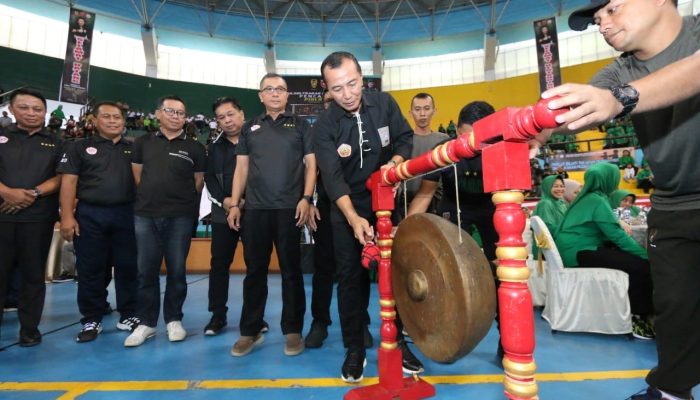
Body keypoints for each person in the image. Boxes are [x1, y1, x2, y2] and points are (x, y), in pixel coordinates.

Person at [540, 1, 700, 398]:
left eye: (611, 10)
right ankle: (670, 392)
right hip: (672, 203)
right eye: (597, 21)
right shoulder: (618, 70)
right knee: (674, 309)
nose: (603, 25)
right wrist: (528, 131)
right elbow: (567, 112)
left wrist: (620, 99)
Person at [313, 51, 421, 383]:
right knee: (350, 279)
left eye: (352, 83)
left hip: (385, 199)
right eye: (337, 88)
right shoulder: (324, 126)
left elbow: (404, 138)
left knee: (396, 273)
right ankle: (355, 349)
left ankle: (399, 343)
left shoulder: (385, 104)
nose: (347, 94)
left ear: (363, 77)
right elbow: (331, 178)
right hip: (345, 206)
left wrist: (397, 161)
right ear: (326, 90)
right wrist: (353, 218)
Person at [227, 73, 315, 357]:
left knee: (291, 273)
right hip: (255, 211)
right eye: (269, 89)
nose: (275, 93)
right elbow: (241, 169)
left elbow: (312, 165)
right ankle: (249, 331)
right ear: (260, 95)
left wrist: (306, 198)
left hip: (290, 210)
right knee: (254, 273)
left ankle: (293, 330)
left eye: (281, 89)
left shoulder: (301, 126)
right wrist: (235, 204)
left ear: (287, 95)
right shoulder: (249, 127)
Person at [407, 100, 502, 359]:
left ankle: (507, 338)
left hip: (492, 208)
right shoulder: (443, 150)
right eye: (463, 134)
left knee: (503, 273)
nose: (467, 141)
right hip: (453, 209)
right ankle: (443, 329)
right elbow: (425, 195)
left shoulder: (502, 146)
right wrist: (403, 228)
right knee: (446, 271)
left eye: (475, 136)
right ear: (457, 130)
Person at [124, 95, 206, 347]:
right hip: (145, 215)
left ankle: (173, 320)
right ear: (158, 113)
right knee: (145, 270)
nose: (175, 116)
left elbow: (198, 181)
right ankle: (147, 323)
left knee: (177, 271)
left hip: (180, 216)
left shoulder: (194, 147)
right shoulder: (142, 143)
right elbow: (137, 175)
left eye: (181, 113)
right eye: (170, 111)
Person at [57, 101, 140, 343]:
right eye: (107, 116)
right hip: (90, 215)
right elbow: (69, 183)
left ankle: (129, 314)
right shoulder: (79, 147)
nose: (113, 121)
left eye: (117, 117)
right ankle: (91, 318)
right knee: (90, 269)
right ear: (94, 120)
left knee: (128, 268)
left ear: (124, 122)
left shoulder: (134, 148)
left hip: (127, 214)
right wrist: (67, 216)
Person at [305, 90, 373, 350]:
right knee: (323, 267)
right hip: (323, 205)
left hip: (354, 206)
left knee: (359, 267)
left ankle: (360, 322)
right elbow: (309, 169)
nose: (333, 104)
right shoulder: (318, 132)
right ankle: (319, 322)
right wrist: (309, 201)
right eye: (328, 101)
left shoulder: (359, 129)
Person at [554, 163, 654, 339]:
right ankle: (638, 318)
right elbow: (617, 236)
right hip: (580, 250)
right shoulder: (597, 200)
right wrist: (646, 255)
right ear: (606, 180)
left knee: (628, 258)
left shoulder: (590, 198)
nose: (616, 184)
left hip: (575, 248)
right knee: (640, 266)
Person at [0, 88, 62, 346]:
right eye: (24, 107)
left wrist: (32, 194)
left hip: (38, 218)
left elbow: (62, 177)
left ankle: (29, 329)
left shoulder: (58, 142)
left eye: (37, 109)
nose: (31, 113)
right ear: (12, 110)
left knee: (33, 276)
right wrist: (7, 192)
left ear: (45, 112)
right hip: (2, 216)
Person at [203, 97, 269, 337]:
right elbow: (210, 179)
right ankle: (217, 316)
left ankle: (255, 318)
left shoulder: (259, 141)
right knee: (219, 265)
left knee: (256, 266)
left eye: (230, 114)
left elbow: (264, 174)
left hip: (254, 211)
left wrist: (242, 201)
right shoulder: (214, 147)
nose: (227, 120)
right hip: (224, 214)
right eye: (221, 117)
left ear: (242, 114)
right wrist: (226, 201)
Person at [396, 92, 448, 218]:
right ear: (410, 112)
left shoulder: (445, 140)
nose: (422, 114)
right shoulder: (402, 142)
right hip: (405, 206)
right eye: (417, 109)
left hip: (436, 206)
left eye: (427, 108)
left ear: (434, 111)